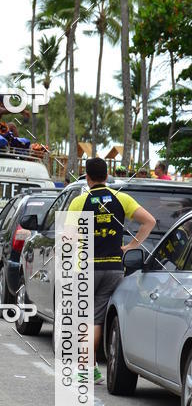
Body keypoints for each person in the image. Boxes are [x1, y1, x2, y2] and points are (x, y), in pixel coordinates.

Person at [67, 157, 156, 384]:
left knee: (86, 321)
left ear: (86, 177)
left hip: (86, 268)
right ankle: (93, 367)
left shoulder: (80, 201)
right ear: (107, 176)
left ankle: (86, 369)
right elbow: (150, 222)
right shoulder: (121, 199)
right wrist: (131, 246)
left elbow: (67, 237)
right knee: (98, 320)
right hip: (115, 267)